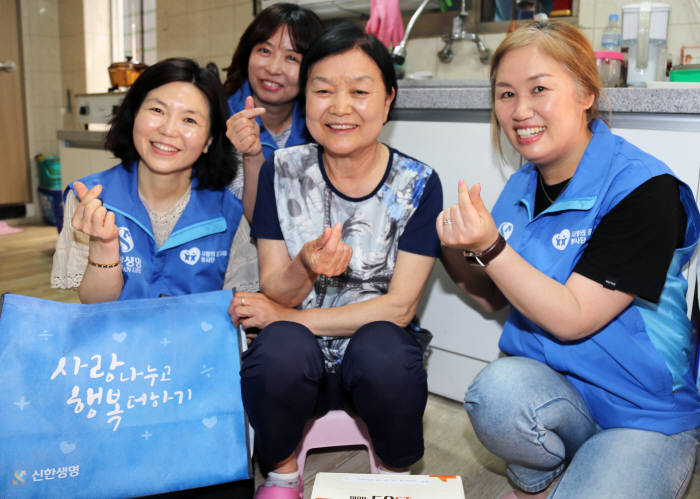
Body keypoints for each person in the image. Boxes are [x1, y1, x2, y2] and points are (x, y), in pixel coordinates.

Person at [438, 19, 700, 498]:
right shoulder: (522, 184)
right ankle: (544, 474)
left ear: (585, 93)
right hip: (556, 391)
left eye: (539, 88)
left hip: (644, 413)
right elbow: (494, 299)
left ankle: (611, 463)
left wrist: (491, 246)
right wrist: (453, 248)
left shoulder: (644, 190)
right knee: (494, 396)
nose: (520, 111)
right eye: (506, 94)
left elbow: (574, 318)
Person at [228, 23, 443, 499]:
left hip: (371, 361)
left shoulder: (418, 184)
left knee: (389, 351)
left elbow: (399, 309)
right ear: (306, 100)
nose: (340, 107)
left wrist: (283, 315)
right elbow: (275, 289)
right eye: (323, 90)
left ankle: (393, 480)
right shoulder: (280, 173)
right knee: (277, 351)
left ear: (387, 100)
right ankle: (283, 475)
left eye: (360, 92)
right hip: (297, 361)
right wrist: (304, 266)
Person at [51, 57, 258, 303]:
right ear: (134, 115)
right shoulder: (92, 200)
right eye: (157, 110)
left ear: (209, 141)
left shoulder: (228, 214)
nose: (168, 130)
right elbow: (96, 307)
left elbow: (239, 309)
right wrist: (103, 245)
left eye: (189, 120)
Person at [223, 3, 324, 221]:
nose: (273, 68)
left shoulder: (320, 130)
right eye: (264, 51)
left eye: (291, 58)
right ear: (247, 53)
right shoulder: (214, 119)